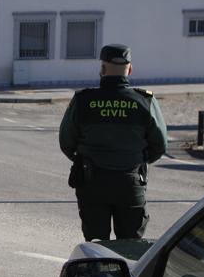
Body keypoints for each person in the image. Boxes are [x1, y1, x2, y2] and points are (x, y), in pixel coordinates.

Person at [59, 44, 168, 242]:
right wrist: (139, 159)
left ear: (102, 70)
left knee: (96, 246)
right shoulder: (144, 101)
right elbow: (160, 145)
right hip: (130, 183)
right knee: (131, 246)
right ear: (130, 70)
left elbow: (66, 142)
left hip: (92, 183)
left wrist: (85, 159)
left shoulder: (83, 100)